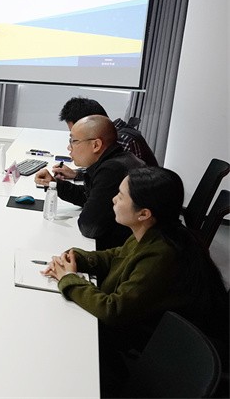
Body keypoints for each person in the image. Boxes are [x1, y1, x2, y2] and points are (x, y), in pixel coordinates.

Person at [43, 167, 228, 396]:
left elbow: (113, 310)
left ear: (144, 213)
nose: (113, 199)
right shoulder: (153, 231)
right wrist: (77, 259)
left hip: (158, 351)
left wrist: (69, 279)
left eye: (120, 196)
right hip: (147, 333)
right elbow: (115, 256)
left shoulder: (161, 254)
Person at [35, 115, 145, 250]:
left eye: (73, 141)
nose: (69, 147)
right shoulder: (118, 159)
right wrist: (55, 184)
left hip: (120, 252)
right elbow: (90, 195)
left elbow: (90, 227)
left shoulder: (112, 170)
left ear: (96, 145)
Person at [54, 97, 158, 181]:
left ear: (90, 122)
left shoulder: (121, 141)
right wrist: (77, 174)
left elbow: (110, 178)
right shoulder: (116, 131)